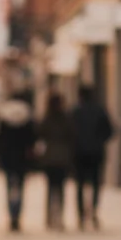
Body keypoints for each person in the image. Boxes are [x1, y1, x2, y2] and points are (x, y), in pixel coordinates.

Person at [71, 85, 114, 230]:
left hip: (79, 153)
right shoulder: (99, 110)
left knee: (80, 184)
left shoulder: (75, 111)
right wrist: (99, 140)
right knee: (95, 184)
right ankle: (94, 211)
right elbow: (110, 131)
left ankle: (81, 215)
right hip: (96, 152)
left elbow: (69, 132)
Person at [0, 94, 36, 232]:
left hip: (8, 158)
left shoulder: (4, 118)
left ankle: (12, 214)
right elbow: (32, 139)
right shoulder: (26, 117)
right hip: (22, 159)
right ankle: (17, 215)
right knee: (20, 188)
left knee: (10, 187)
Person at [38, 92, 75, 230]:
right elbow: (72, 136)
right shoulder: (66, 119)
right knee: (60, 188)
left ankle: (49, 217)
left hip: (50, 158)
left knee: (50, 188)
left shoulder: (47, 118)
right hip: (62, 158)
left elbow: (39, 133)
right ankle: (59, 217)